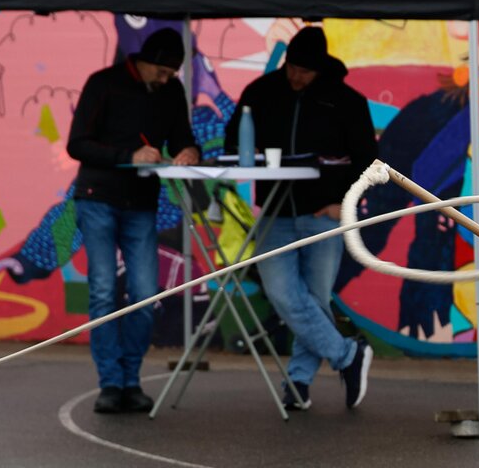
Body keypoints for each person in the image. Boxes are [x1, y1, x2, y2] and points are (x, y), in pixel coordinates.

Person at [227, 26, 375, 412]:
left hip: (324, 213)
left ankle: (298, 381)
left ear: (321, 69)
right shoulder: (260, 91)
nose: (296, 76)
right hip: (275, 213)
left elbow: (368, 161)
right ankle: (347, 355)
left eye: (305, 71)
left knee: (315, 300)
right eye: (292, 67)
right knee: (283, 294)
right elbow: (232, 140)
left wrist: (343, 203)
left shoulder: (346, 100)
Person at [67, 27, 199, 414]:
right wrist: (128, 155)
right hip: (97, 199)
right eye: (161, 71)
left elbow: (182, 138)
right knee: (104, 291)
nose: (166, 79)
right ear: (143, 62)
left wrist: (189, 151)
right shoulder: (103, 83)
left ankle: (130, 378)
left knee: (144, 294)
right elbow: (77, 143)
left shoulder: (171, 91)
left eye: (172, 73)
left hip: (141, 203)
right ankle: (110, 382)